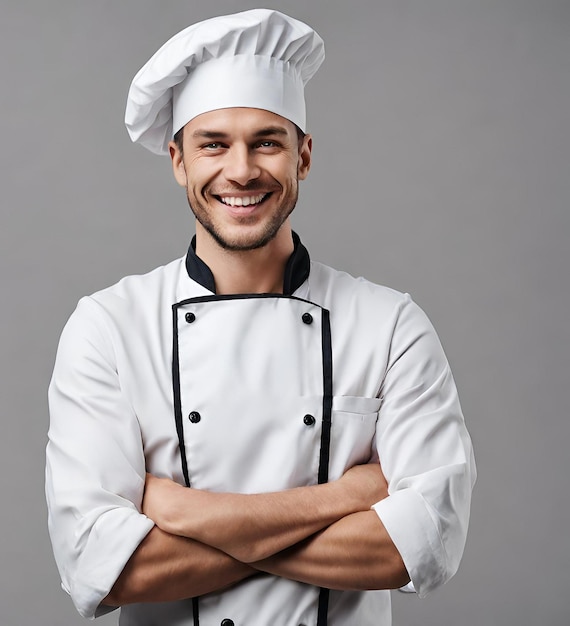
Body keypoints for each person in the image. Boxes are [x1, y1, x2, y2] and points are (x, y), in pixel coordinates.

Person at [46, 9, 476, 626]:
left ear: (303, 156)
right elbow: (104, 567)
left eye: (267, 141)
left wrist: (187, 513)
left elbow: (423, 546)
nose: (242, 170)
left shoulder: (389, 326)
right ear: (178, 161)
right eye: (213, 143)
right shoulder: (109, 327)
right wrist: (344, 499)